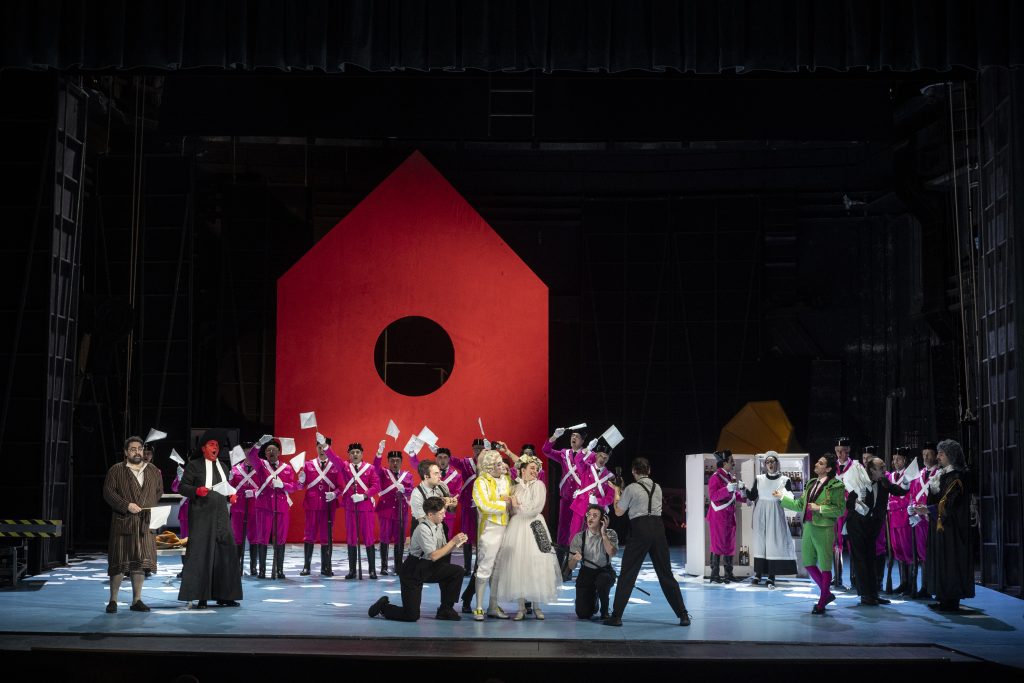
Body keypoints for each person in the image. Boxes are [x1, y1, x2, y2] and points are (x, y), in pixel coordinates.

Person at [603, 457, 690, 627]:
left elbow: (619, 511)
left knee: (628, 574)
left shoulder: (631, 488)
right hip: (658, 530)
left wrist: (617, 490)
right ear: (649, 470)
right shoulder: (657, 487)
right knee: (666, 574)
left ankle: (617, 616)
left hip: (640, 529)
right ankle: (683, 615)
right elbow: (643, 500)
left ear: (634, 471)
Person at [368, 496, 468, 622]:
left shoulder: (439, 525)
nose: (444, 515)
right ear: (430, 514)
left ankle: (446, 609)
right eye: (441, 513)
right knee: (411, 615)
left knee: (457, 571)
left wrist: (456, 543)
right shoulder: (422, 529)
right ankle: (383, 607)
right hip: (412, 570)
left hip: (429, 567)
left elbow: (443, 551)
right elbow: (434, 555)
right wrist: (453, 541)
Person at [177, 429, 243, 608]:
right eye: (211, 444)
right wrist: (196, 490)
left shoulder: (224, 467)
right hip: (201, 515)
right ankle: (201, 597)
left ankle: (225, 595)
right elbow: (183, 487)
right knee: (202, 553)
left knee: (226, 552)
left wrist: (231, 496)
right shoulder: (194, 465)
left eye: (217, 445)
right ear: (203, 448)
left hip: (221, 516)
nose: (216, 448)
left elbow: (225, 488)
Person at [493, 454, 562, 620]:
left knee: (537, 563)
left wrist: (518, 505)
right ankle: (521, 607)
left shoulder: (539, 485)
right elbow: (511, 510)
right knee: (519, 565)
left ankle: (537, 606)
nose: (535, 471)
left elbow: (536, 508)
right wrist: (511, 505)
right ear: (522, 470)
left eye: (536, 469)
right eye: (531, 468)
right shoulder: (515, 488)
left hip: (534, 526)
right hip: (517, 528)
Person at [774, 453, 845, 615]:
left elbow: (840, 509)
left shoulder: (836, 486)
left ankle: (822, 603)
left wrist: (820, 508)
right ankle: (827, 594)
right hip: (808, 527)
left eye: (821, 463)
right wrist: (782, 497)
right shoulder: (811, 483)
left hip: (824, 528)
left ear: (828, 469)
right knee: (808, 563)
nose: (816, 464)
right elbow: (800, 505)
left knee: (825, 565)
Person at [910, 439, 974, 613]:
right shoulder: (943, 475)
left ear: (951, 456)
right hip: (941, 527)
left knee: (951, 563)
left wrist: (928, 509)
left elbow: (950, 503)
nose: (938, 457)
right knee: (940, 561)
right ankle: (942, 597)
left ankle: (951, 600)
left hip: (953, 529)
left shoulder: (957, 476)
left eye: (941, 454)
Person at [103, 435, 164, 613]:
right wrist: (126, 505)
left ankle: (137, 600)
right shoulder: (116, 470)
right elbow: (108, 493)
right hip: (124, 522)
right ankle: (113, 600)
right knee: (119, 561)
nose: (137, 452)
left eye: (139, 449)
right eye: (133, 449)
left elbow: (158, 491)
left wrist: (147, 505)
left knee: (140, 562)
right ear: (126, 452)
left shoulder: (153, 470)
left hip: (145, 523)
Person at [845, 456, 910, 606]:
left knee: (871, 559)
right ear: (872, 470)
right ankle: (865, 595)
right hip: (857, 526)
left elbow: (899, 491)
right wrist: (857, 503)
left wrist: (907, 481)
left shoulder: (883, 481)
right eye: (881, 467)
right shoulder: (860, 481)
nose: (885, 469)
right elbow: (849, 504)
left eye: (885, 466)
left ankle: (873, 594)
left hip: (872, 526)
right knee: (861, 560)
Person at [468, 448, 512, 620]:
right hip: (489, 528)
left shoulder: (506, 480)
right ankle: (478, 606)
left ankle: (493, 605)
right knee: (485, 567)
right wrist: (504, 504)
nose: (502, 466)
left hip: (506, 527)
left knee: (498, 569)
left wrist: (507, 503)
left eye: (501, 463)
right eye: (498, 464)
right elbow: (484, 505)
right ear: (490, 466)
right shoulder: (480, 482)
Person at [246, 436, 297, 579]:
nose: (271, 452)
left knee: (280, 538)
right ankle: (262, 570)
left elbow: (293, 487)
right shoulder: (261, 465)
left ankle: (279, 570)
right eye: (268, 450)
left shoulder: (287, 468)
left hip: (281, 506)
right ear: (265, 453)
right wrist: (259, 443)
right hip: (264, 506)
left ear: (279, 452)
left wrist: (283, 485)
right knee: (262, 537)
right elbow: (251, 455)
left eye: (274, 450)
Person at [746, 451, 798, 588]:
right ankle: (758, 573)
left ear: (777, 463)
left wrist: (783, 496)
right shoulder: (759, 479)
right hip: (760, 513)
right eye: (767, 462)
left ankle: (771, 575)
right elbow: (752, 496)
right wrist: (743, 489)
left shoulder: (785, 480)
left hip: (775, 513)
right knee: (760, 543)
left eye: (772, 461)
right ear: (765, 464)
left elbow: (791, 498)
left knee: (773, 544)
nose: (770, 464)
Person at [298, 435, 344, 576]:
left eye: (324, 447)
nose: (322, 450)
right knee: (309, 535)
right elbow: (300, 486)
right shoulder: (308, 464)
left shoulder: (336, 465)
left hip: (328, 505)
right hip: (312, 504)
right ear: (316, 448)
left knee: (327, 535)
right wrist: (301, 481)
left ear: (329, 448)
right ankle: (306, 566)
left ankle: (326, 566)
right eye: (319, 447)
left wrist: (335, 494)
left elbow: (341, 487)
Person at [542, 427, 588, 564]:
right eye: (572, 435)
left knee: (578, 530)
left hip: (580, 499)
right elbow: (546, 451)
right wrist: (554, 437)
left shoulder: (588, 455)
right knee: (563, 530)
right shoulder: (564, 453)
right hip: (566, 498)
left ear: (583, 441)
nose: (573, 438)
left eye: (577, 436)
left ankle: (572, 563)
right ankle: (560, 562)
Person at [566, 504, 618, 619]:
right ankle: (594, 599)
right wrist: (574, 559)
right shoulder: (579, 537)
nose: (590, 518)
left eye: (595, 516)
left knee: (603, 580)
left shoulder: (610, 534)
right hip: (586, 573)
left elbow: (612, 552)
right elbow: (571, 566)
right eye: (589, 515)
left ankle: (605, 609)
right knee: (583, 614)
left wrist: (603, 534)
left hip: (604, 571)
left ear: (602, 520)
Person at [340, 442, 381, 579]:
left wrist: (364, 495)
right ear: (349, 455)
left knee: (369, 538)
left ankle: (372, 570)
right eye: (352, 452)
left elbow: (376, 486)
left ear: (362, 454)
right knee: (351, 538)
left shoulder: (370, 468)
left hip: (366, 507)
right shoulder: (345, 467)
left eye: (357, 452)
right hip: (351, 507)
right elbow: (334, 459)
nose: (355, 454)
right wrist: (325, 446)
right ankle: (352, 570)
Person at [705, 449, 747, 583]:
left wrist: (744, 496)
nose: (733, 463)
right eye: (731, 461)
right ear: (724, 463)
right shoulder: (715, 477)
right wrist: (727, 489)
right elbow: (713, 496)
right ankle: (715, 575)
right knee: (717, 545)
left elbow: (733, 495)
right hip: (718, 516)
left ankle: (729, 574)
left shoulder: (728, 476)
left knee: (729, 545)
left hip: (729, 516)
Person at [373, 446, 414, 576]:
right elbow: (375, 467)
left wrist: (405, 490)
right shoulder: (383, 472)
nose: (395, 463)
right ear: (388, 461)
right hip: (385, 511)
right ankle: (384, 566)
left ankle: (398, 566)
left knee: (400, 539)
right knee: (384, 538)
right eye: (392, 460)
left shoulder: (408, 475)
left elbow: (411, 490)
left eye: (397, 460)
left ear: (401, 462)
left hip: (401, 511)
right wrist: (379, 453)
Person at [568, 441, 617, 541]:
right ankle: (572, 551)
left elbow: (610, 498)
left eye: (605, 457)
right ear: (596, 455)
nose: (602, 459)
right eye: (601, 456)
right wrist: (587, 449)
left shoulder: (610, 477)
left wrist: (597, 501)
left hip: (596, 511)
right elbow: (577, 459)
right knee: (575, 533)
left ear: (608, 459)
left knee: (591, 537)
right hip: (581, 505)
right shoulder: (586, 467)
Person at [908, 442, 939, 598]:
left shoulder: (940, 474)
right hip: (920, 520)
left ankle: (934, 586)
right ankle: (925, 587)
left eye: (929, 454)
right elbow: (913, 495)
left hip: (933, 519)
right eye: (923, 454)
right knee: (922, 554)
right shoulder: (919, 474)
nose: (925, 457)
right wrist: (912, 508)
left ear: (936, 455)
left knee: (934, 553)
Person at [886, 447, 916, 595]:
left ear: (905, 460)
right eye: (894, 459)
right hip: (892, 519)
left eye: (898, 459)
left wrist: (890, 505)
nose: (895, 461)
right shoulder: (891, 476)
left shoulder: (909, 476)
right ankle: (903, 582)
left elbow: (908, 497)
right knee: (897, 551)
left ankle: (910, 584)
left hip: (904, 518)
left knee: (907, 550)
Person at [228, 452, 260, 577]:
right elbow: (229, 490)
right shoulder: (235, 470)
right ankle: (236, 566)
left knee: (254, 538)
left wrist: (254, 492)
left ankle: (253, 567)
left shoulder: (260, 469)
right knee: (237, 538)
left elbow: (264, 486)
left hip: (255, 508)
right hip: (238, 508)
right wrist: (230, 480)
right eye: (247, 454)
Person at [832, 437, 855, 590]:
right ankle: (837, 577)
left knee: (851, 543)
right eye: (838, 451)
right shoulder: (832, 467)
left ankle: (854, 578)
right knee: (835, 543)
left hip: (850, 510)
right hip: (835, 511)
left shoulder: (855, 467)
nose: (840, 454)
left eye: (843, 451)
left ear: (848, 450)